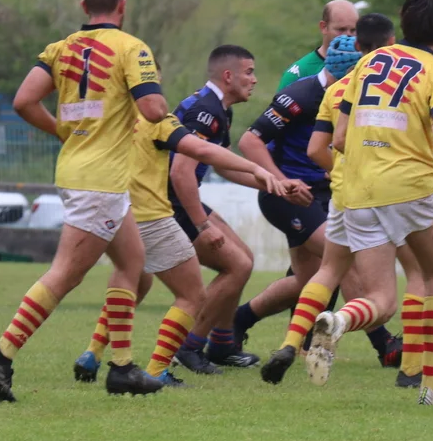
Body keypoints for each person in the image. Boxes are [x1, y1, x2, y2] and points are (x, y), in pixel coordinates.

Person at [0, 0, 170, 401]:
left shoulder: (60, 49)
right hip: (99, 182)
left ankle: (122, 368)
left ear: (84, 5)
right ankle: (1, 353)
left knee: (132, 263)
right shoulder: (131, 48)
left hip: (81, 173)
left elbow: (24, 100)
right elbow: (154, 110)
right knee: (65, 274)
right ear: (123, 5)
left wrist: (62, 129)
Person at [279, 0, 433, 407]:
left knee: (378, 296)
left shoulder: (369, 63)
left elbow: (338, 138)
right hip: (412, 188)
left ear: (403, 23)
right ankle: (429, 389)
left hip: (358, 190)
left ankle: (340, 319)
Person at [73, 113, 287, 386]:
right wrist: (254, 170)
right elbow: (198, 154)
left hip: (113, 211)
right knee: (194, 293)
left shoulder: (111, 117)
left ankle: (94, 354)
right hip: (151, 216)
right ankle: (162, 367)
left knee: (135, 282)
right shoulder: (159, 117)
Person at [239, 32, 404, 367]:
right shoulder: (300, 95)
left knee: (306, 281)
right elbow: (249, 141)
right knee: (342, 260)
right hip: (288, 196)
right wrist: (282, 181)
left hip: (321, 194)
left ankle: (233, 324)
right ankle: (384, 345)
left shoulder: (352, 97)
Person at [167, 45, 264, 371]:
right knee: (236, 266)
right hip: (170, 202)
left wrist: (272, 185)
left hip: (180, 197)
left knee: (244, 259)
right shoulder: (205, 112)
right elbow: (180, 173)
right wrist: (203, 226)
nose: (254, 79)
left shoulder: (219, 108)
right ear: (228, 76)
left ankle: (221, 346)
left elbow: (221, 165)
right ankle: (188, 346)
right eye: (248, 72)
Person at [278, 0, 358, 90]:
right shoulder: (299, 73)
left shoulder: (365, 67)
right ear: (324, 27)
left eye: (353, 30)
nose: (348, 35)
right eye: (341, 29)